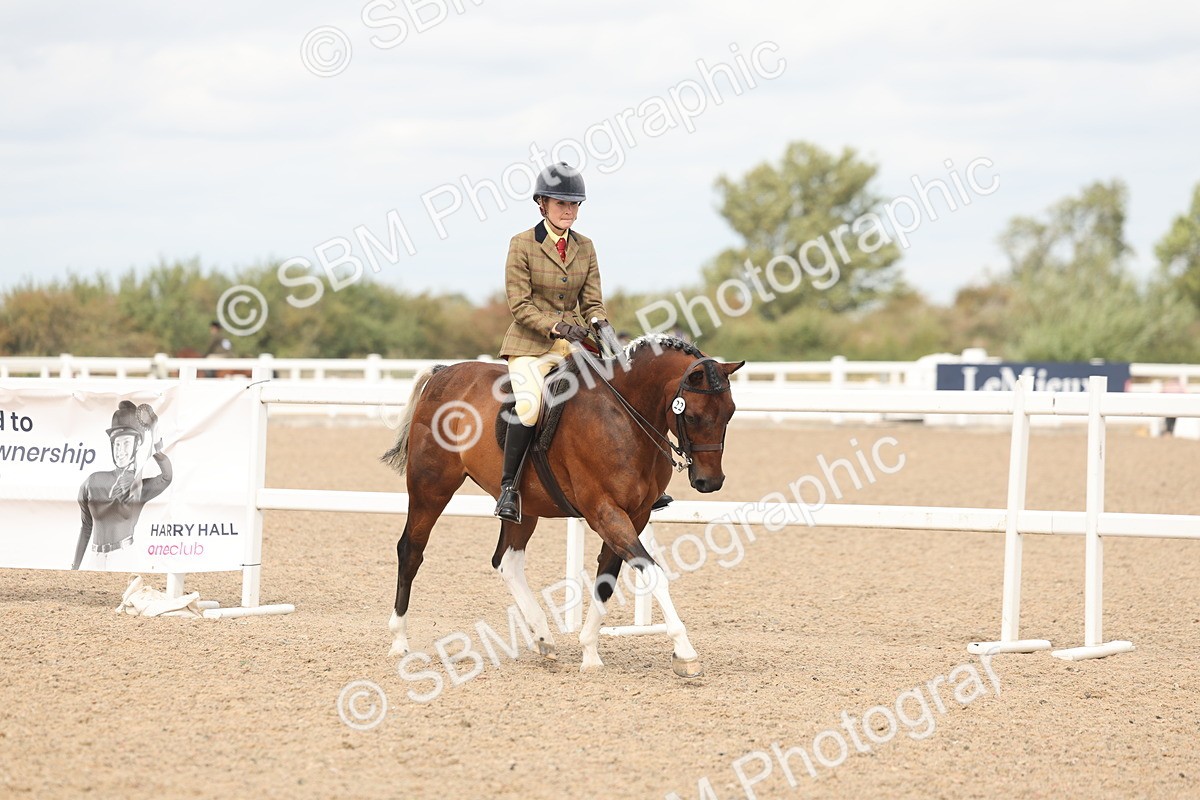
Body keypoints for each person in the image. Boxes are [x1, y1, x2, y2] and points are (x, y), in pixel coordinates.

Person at [494, 163, 669, 522]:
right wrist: (556, 326)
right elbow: (520, 304)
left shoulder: (585, 247)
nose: (568, 211)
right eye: (561, 204)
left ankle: (646, 482)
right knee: (528, 406)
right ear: (542, 204)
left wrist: (601, 325)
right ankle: (509, 489)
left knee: (617, 392)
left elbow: (591, 301)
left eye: (574, 205)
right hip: (531, 345)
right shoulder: (522, 244)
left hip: (575, 341)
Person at [72, 401, 172, 570]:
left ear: (137, 444)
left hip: (124, 557)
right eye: (117, 444)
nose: (120, 450)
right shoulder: (92, 481)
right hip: (95, 558)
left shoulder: (139, 485)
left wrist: (156, 441)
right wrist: (75, 566)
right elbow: (86, 526)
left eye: (126, 443)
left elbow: (166, 477)